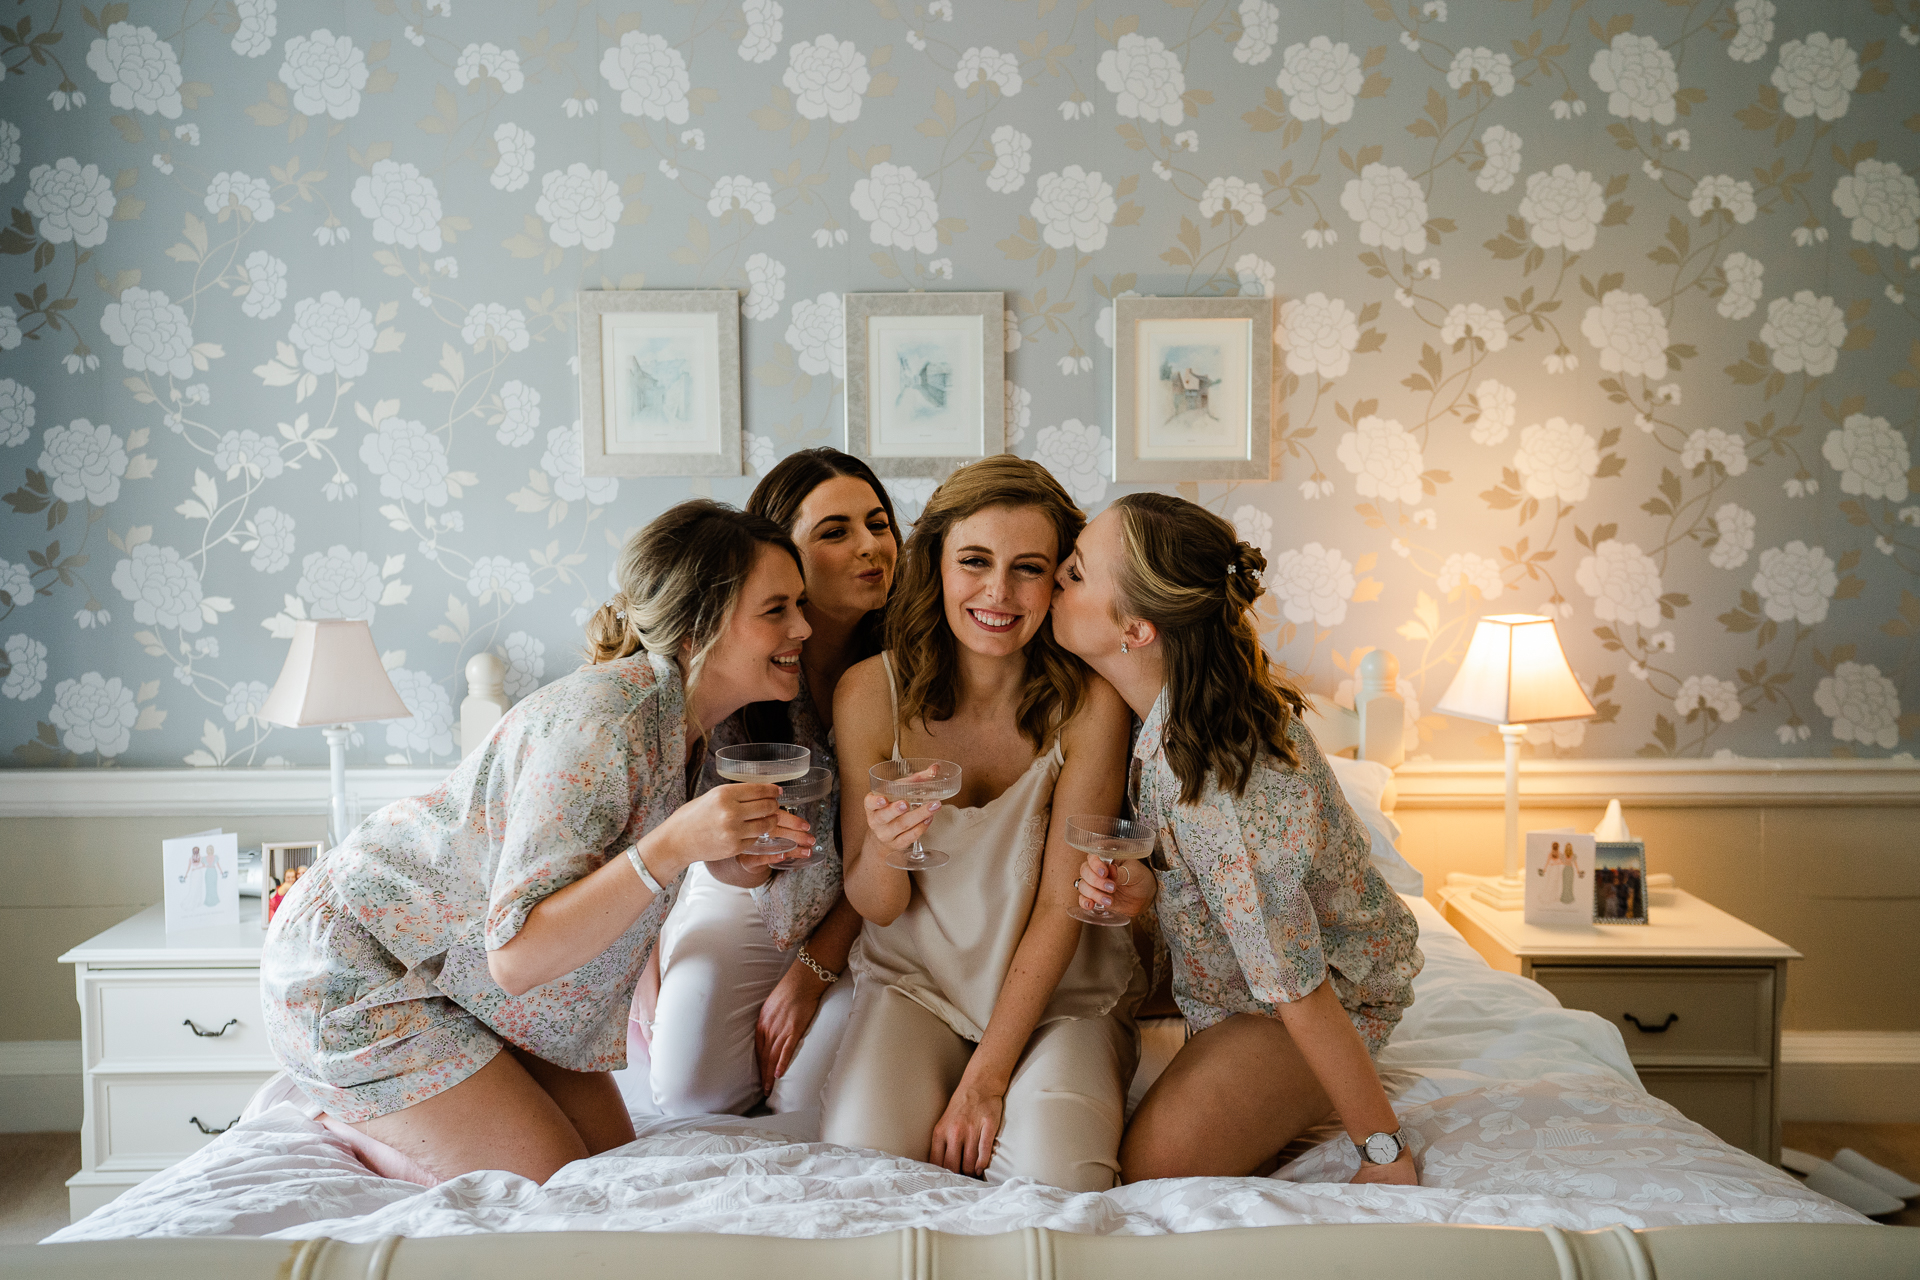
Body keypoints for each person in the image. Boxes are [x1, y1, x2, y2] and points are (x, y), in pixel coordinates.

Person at [259, 501, 816, 1186]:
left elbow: (603, 886)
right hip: (357, 967)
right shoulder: (605, 723)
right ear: (701, 625)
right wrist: (674, 845)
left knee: (603, 1167)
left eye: (800, 605)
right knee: (547, 1182)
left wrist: (719, 857)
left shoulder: (687, 727)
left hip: (461, 983)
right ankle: (346, 1114)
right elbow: (517, 957)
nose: (804, 627)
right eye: (777, 609)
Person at [1053, 492, 1424, 1185]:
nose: (1053, 583)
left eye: (1074, 573)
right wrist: (1150, 884)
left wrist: (1383, 1151)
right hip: (1232, 988)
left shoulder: (1226, 786)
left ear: (1135, 629)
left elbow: (1298, 989)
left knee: (1153, 1173)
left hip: (1320, 1000)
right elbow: (1209, 878)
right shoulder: (1158, 722)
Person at [820, 456, 1142, 1193]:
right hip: (916, 984)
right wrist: (889, 850)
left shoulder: (1092, 705)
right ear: (936, 563)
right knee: (863, 1171)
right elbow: (876, 903)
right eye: (974, 561)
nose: (998, 592)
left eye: (1029, 568)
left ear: (1059, 578)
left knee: (1061, 1183)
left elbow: (1064, 904)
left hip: (1059, 996)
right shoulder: (869, 691)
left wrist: (985, 1082)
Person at [647, 449, 901, 1116]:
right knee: (689, 1096)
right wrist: (644, 961)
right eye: (836, 531)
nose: (872, 547)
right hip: (743, 894)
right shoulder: (728, 663)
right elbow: (652, 829)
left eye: (879, 524)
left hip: (865, 911)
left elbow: (887, 856)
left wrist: (813, 973)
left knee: (807, 1103)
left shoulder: (910, 667)